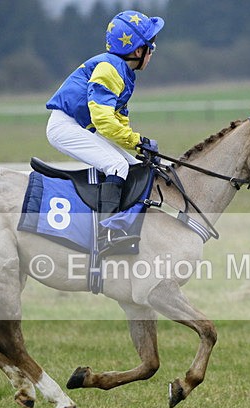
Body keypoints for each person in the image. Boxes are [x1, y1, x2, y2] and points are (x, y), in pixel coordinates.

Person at [45, 10, 164, 251]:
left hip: (82, 127)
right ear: (138, 51)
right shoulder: (110, 69)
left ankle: (126, 224)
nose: (153, 52)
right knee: (117, 166)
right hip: (66, 127)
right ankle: (106, 234)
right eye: (151, 46)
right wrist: (138, 140)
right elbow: (104, 122)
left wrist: (137, 147)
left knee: (133, 165)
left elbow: (118, 120)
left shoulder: (123, 72)